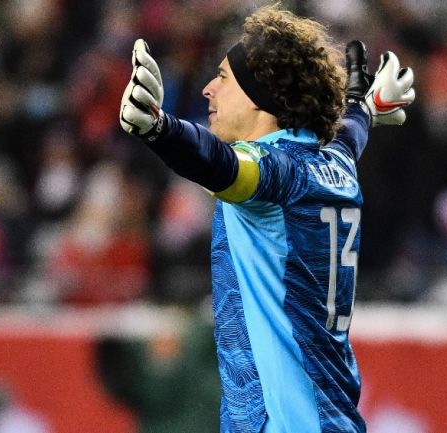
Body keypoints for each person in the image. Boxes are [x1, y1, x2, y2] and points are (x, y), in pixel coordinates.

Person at [119, 5, 415, 433]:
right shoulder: (335, 161)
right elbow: (351, 132)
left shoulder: (275, 171)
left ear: (262, 94)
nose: (207, 89)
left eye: (222, 77)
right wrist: (364, 105)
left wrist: (159, 128)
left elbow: (220, 163)